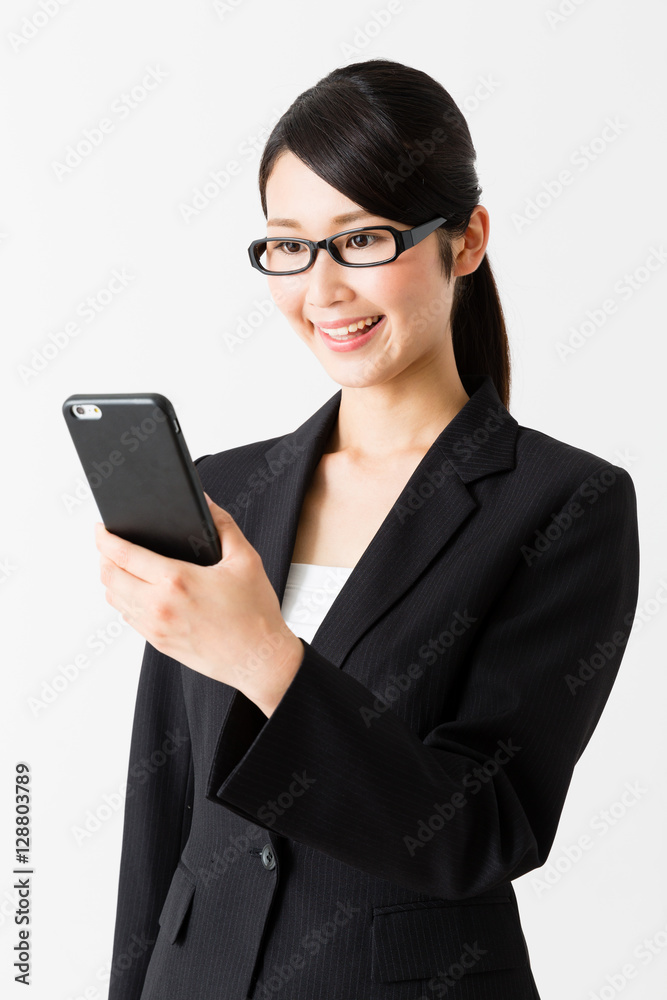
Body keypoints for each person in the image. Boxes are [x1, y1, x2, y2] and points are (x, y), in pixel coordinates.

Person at [101, 59, 640, 1000]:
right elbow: (164, 809)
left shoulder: (566, 504)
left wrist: (269, 659)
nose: (323, 290)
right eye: (288, 247)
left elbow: (482, 830)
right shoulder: (222, 491)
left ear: (465, 240)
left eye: (363, 240)